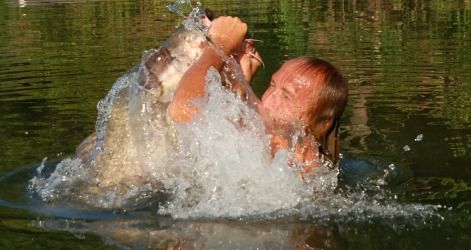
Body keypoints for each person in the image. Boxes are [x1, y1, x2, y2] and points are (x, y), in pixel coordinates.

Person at [169, 16, 348, 174]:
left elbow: (182, 111)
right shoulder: (309, 157)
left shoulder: (290, 153)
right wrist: (241, 79)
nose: (268, 99)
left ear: (325, 123)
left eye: (286, 97)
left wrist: (219, 46)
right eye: (272, 85)